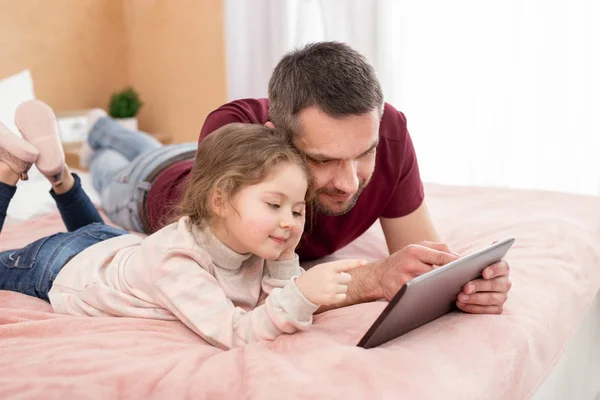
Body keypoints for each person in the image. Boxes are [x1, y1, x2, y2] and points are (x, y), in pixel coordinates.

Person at [85, 41, 511, 315]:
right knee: (107, 172)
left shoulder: (391, 131)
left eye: (364, 154)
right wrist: (373, 278)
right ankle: (96, 132)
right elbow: (246, 290)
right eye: (322, 160)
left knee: (141, 146)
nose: (348, 182)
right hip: (145, 187)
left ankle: (109, 132)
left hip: (186, 156)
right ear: (275, 139)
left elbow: (418, 252)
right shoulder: (230, 127)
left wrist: (461, 282)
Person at [0, 100, 369, 350]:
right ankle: (8, 171)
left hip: (114, 245)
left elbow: (272, 299)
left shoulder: (255, 236)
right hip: (60, 265)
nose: (288, 222)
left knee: (91, 235)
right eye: (274, 205)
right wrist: (302, 293)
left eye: (297, 210)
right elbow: (236, 333)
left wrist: (287, 259)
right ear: (220, 199)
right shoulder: (177, 261)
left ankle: (60, 175)